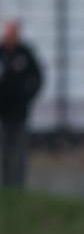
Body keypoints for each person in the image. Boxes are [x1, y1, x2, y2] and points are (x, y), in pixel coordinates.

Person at [0, 21, 43, 188]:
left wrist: (28, 96)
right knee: (4, 152)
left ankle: (17, 187)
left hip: (20, 112)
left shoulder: (25, 53)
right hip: (2, 112)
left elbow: (37, 77)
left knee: (18, 153)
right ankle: (4, 186)